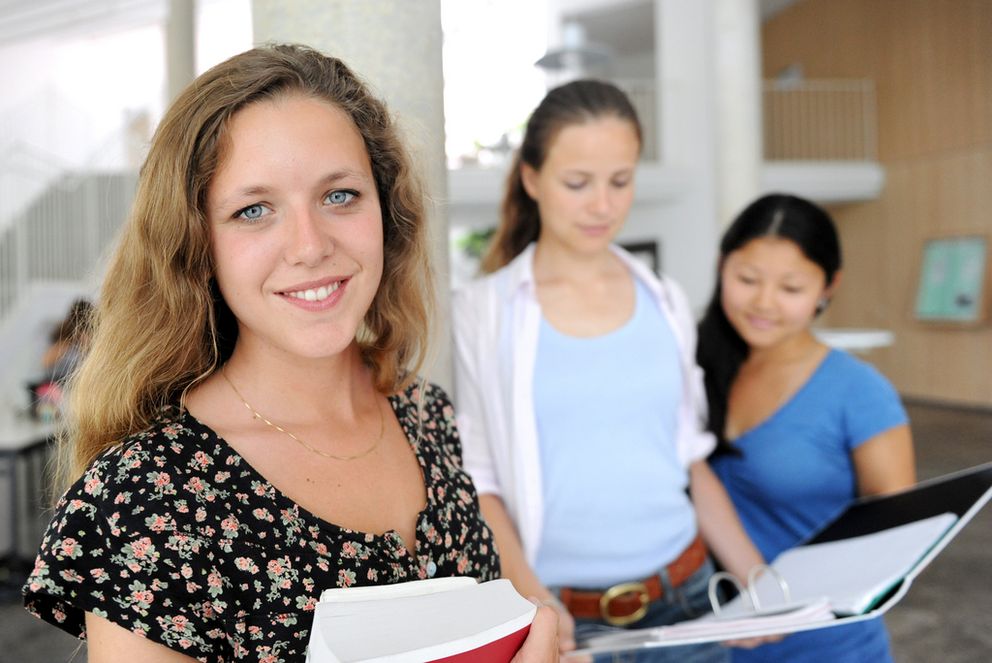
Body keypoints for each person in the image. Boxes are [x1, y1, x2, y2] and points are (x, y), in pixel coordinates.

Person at [22, 44, 557, 663]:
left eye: (340, 196)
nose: (309, 246)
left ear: (387, 210)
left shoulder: (423, 413)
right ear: (197, 245)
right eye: (254, 210)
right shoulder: (146, 496)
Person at [452, 79, 765, 663]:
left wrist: (753, 574)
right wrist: (531, 596)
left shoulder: (665, 300)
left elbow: (688, 457)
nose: (603, 205)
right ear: (530, 178)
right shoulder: (485, 312)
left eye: (620, 181)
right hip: (566, 622)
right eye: (578, 183)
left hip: (688, 602)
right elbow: (480, 477)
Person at [697, 193, 916, 663]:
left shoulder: (858, 392)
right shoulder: (695, 366)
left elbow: (896, 541)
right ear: (721, 267)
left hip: (823, 646)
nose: (763, 303)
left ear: (828, 287)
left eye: (790, 288)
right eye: (747, 279)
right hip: (703, 640)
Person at [42, 298, 93, 384]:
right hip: (57, 383)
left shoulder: (91, 340)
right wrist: (70, 340)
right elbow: (46, 362)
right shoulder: (63, 338)